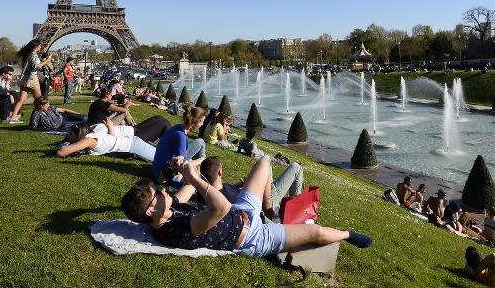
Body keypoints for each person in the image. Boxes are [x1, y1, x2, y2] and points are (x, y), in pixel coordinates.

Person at [121, 156, 373, 257]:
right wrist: (194, 177)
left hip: (245, 211)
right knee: (316, 232)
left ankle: (270, 210)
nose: (166, 192)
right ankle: (348, 234)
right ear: (150, 212)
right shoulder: (173, 229)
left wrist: (184, 168)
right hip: (250, 236)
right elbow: (220, 209)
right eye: (159, 194)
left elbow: (187, 189)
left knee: (264, 162)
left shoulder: (168, 210)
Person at [200, 155, 304, 219]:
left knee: (268, 164)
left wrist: (240, 185)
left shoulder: (212, 192)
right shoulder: (225, 197)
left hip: (258, 194)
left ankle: (295, 208)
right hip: (264, 203)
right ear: (220, 172)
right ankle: (297, 212)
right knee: (296, 167)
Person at [57, 115, 170, 160]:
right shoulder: (90, 139)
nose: (68, 136)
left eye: (70, 134)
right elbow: (62, 152)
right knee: (165, 158)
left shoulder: (89, 139)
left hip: (132, 144)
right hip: (132, 144)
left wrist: (71, 146)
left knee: (165, 158)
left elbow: (61, 152)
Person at [152, 106, 207, 184]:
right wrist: (202, 159)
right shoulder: (181, 136)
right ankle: (205, 171)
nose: (202, 124)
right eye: (201, 122)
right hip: (163, 173)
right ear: (194, 121)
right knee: (195, 182)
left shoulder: (178, 127)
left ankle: (203, 170)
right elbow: (181, 165)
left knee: (200, 141)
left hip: (159, 166)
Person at [11, 40, 52, 120]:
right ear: (36, 47)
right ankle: (46, 115)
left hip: (23, 79)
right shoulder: (34, 56)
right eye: (40, 46)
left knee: (21, 99)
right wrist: (46, 61)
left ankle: (13, 117)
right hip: (32, 79)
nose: (41, 47)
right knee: (40, 99)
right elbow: (35, 68)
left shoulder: (26, 55)